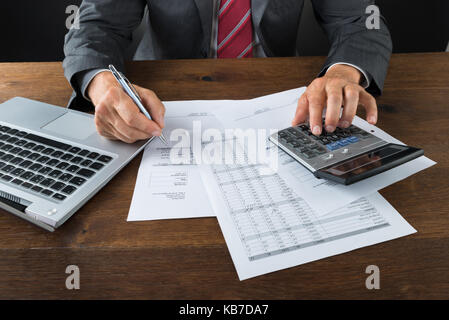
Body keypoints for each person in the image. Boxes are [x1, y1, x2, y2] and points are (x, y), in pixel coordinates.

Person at [63, 0, 392, 143]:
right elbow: (94, 24)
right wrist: (101, 84)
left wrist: (344, 72)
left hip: (283, 102)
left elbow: (361, 20)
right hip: (163, 103)